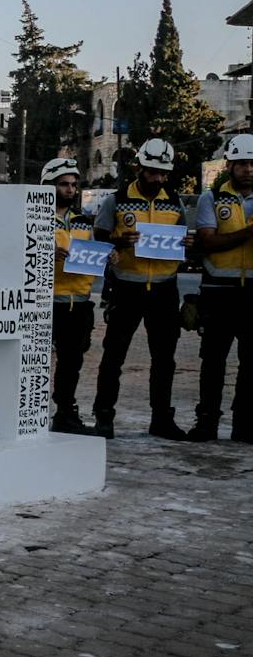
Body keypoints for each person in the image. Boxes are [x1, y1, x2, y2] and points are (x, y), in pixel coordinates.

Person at [91, 137, 188, 441]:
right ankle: (104, 418)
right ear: (139, 168)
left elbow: (183, 237)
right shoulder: (117, 200)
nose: (157, 178)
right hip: (126, 287)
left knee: (164, 358)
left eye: (162, 173)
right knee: (113, 356)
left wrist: (188, 244)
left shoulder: (174, 200)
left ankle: (161, 418)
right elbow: (98, 238)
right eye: (151, 172)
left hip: (164, 289)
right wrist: (120, 242)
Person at [189, 134, 253, 442]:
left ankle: (245, 425)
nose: (248, 169)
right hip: (218, 291)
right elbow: (209, 240)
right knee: (213, 361)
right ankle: (207, 422)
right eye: (242, 163)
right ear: (229, 165)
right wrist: (247, 233)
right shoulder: (211, 198)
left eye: (252, 163)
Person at [42, 157, 98, 435]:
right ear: (48, 185)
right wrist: (46, 254)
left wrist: (107, 255)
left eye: (73, 185)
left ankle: (65, 412)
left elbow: (91, 255)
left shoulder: (82, 222)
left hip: (79, 303)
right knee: (37, 362)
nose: (70, 189)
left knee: (71, 363)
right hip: (46, 302)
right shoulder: (35, 219)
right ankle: (32, 413)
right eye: (63, 184)